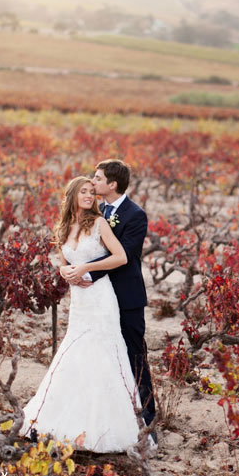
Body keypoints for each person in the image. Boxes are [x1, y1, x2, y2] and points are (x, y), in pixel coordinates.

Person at [21, 176, 141, 453]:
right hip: (79, 298)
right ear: (72, 195)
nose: (90, 196)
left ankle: (103, 426)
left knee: (101, 351)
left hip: (100, 297)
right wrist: (66, 271)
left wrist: (86, 267)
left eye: (92, 192)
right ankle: (63, 418)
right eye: (84, 192)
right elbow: (64, 262)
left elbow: (121, 257)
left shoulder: (99, 223)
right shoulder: (64, 227)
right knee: (74, 351)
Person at [62, 160, 157, 432]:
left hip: (125, 298)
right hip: (96, 299)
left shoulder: (135, 215)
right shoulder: (96, 212)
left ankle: (147, 418)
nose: (93, 183)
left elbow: (123, 257)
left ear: (112, 184)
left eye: (98, 178)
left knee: (134, 355)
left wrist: (87, 273)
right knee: (101, 356)